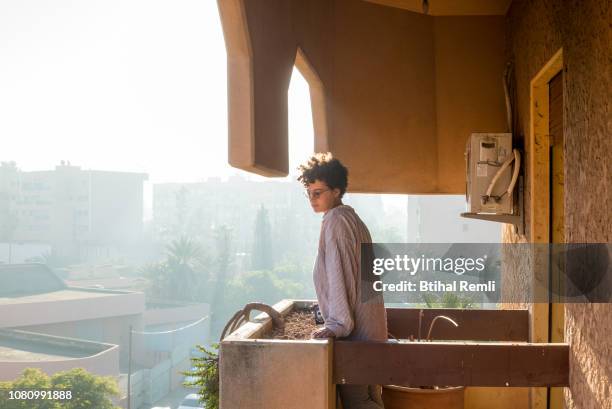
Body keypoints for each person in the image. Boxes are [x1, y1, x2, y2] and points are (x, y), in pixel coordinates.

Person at [297, 152, 387, 409]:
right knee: (373, 401)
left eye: (318, 193)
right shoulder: (354, 219)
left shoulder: (336, 221)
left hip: (357, 338)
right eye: (309, 193)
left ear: (336, 191)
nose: (312, 200)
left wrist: (337, 324)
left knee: (359, 404)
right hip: (373, 331)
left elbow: (339, 275)